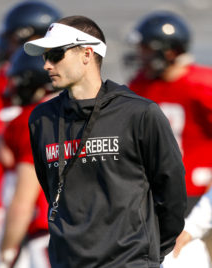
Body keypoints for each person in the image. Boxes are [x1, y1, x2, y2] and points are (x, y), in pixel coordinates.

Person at [23, 15, 187, 267]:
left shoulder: (139, 113)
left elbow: (171, 194)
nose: (46, 65)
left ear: (86, 54)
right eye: (44, 56)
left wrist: (149, 253)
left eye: (55, 55)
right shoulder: (41, 119)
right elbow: (51, 188)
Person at [0, 2, 60, 267]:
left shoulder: (35, 117)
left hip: (37, 218)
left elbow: (22, 191)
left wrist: (7, 250)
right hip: (11, 215)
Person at [126, 11, 212, 268]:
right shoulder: (141, 84)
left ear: (170, 52)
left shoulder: (201, 84)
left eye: (147, 49)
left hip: (201, 195)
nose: (141, 55)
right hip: (156, 197)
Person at [0, 47, 55, 267]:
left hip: (47, 233)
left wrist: (6, 250)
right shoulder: (70, 112)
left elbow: (24, 200)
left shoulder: (33, 119)